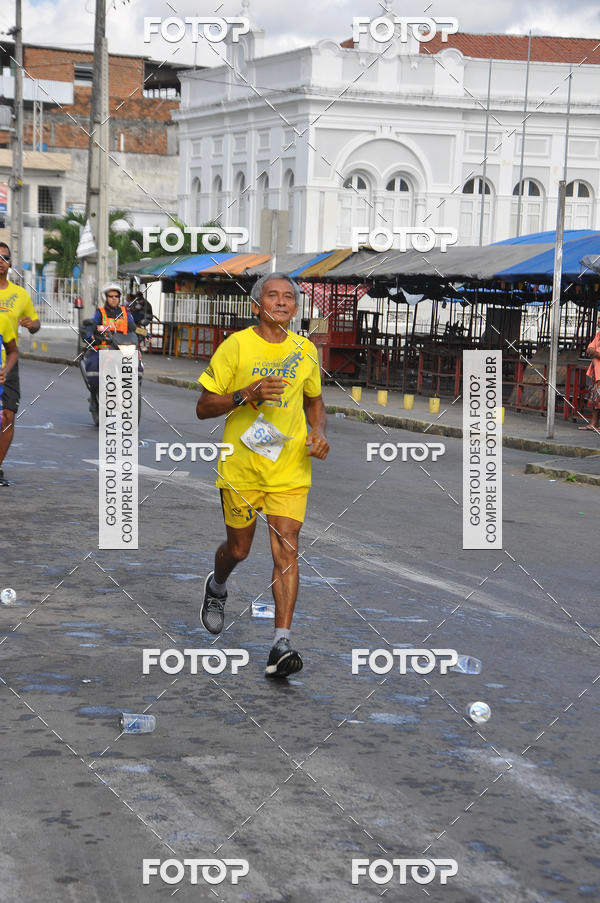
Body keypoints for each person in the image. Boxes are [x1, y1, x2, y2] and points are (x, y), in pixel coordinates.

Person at [196, 273, 329, 678]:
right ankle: (217, 586)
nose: (283, 302)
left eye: (290, 297)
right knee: (239, 550)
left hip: (290, 468)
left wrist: (318, 432)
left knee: (287, 549)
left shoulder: (305, 350)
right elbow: (203, 407)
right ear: (258, 304)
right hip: (242, 467)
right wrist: (246, 394)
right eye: (274, 295)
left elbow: (315, 402)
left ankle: (280, 644)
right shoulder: (236, 346)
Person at [0, 242, 40, 486]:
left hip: (7, 362)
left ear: (10, 264)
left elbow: (35, 324)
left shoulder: (20, 295)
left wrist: (31, 324)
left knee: (7, 416)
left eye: (4, 257)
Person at [0, 311, 19, 487]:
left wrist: (5, 371)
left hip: (3, 380)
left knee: (7, 417)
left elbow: (13, 351)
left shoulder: (3, 320)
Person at [580, 312, 600, 432]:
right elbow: (589, 349)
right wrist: (595, 352)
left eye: (599, 319)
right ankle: (593, 423)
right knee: (595, 400)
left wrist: (595, 353)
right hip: (596, 373)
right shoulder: (598, 335)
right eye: (598, 319)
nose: (598, 321)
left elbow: (594, 352)